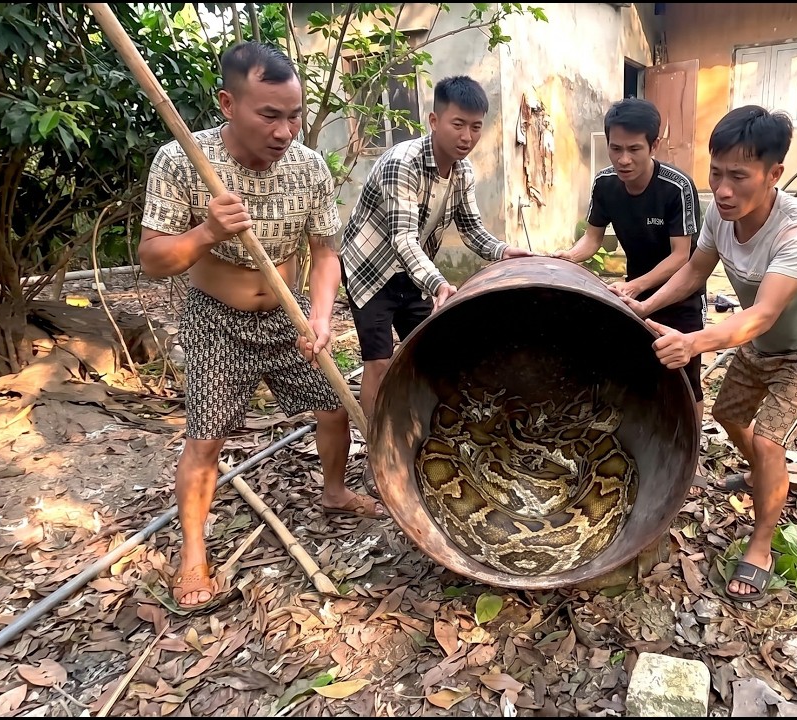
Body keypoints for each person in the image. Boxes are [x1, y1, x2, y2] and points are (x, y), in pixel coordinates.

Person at [139, 41, 384, 611]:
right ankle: (194, 556)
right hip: (215, 321)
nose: (285, 131)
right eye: (269, 115)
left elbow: (326, 252)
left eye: (294, 115)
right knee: (207, 437)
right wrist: (205, 234)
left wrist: (321, 315)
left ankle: (334, 490)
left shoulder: (309, 167)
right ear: (228, 103)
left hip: (287, 312)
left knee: (332, 404)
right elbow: (152, 260)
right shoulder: (181, 160)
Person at [616, 106, 797, 603]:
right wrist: (641, 306)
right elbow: (697, 270)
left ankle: (762, 543)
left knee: (768, 443)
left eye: (738, 177)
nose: (722, 189)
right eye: (716, 173)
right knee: (727, 414)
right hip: (761, 345)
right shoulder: (721, 216)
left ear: (774, 175)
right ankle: (767, 479)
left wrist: (693, 342)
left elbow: (762, 314)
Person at [340, 75, 533, 485]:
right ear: (433, 120)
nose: (467, 136)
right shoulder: (401, 164)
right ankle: (379, 451)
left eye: (476, 126)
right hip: (370, 270)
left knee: (426, 355)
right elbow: (403, 238)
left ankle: (424, 435)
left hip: (413, 272)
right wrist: (439, 284)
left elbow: (472, 229)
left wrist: (503, 251)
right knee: (379, 361)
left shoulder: (462, 172)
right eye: (458, 124)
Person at [554, 98, 707, 416]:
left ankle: (692, 452)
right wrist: (565, 258)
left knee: (686, 378)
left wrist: (635, 287)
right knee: (639, 367)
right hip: (635, 289)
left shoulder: (676, 187)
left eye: (634, 149)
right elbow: (592, 239)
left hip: (681, 294)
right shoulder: (605, 184)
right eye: (616, 148)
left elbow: (681, 256)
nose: (623, 160)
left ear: (654, 145)